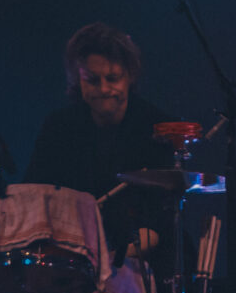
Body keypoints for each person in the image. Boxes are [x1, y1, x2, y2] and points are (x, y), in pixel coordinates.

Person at [25, 22, 176, 263]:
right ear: (78, 79)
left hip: (140, 261)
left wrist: (113, 262)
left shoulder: (157, 128)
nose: (103, 89)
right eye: (92, 80)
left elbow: (160, 221)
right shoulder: (59, 127)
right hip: (73, 258)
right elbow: (33, 195)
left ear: (130, 76)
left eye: (113, 78)